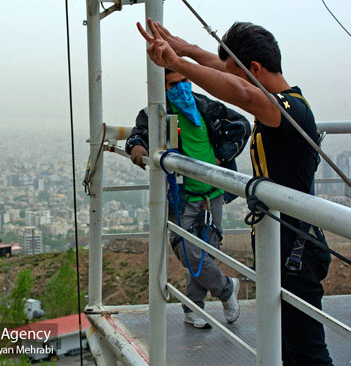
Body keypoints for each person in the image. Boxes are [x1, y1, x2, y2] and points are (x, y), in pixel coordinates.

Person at [137, 19, 332, 365]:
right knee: (287, 348)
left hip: (297, 252)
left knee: (308, 354)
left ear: (255, 68)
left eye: (237, 73)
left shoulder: (289, 109)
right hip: (282, 247)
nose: (228, 82)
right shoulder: (282, 103)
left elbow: (241, 91)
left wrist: (177, 64)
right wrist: (185, 49)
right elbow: (231, 76)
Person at [125, 68, 243, 329]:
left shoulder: (204, 106)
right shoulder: (155, 113)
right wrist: (137, 147)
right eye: (173, 83)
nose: (180, 87)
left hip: (213, 191)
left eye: (184, 81)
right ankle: (226, 289)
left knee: (208, 248)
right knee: (187, 249)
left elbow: (240, 125)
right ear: (163, 87)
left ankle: (192, 308)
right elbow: (138, 134)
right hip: (183, 194)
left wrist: (222, 155)